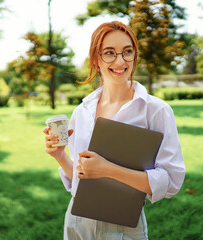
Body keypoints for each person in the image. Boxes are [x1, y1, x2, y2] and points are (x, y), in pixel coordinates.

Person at [43, 21, 185, 240]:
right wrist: (60, 156)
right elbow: (80, 180)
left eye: (127, 52)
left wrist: (109, 170)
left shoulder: (155, 111)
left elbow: (171, 182)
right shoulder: (81, 112)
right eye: (109, 53)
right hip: (77, 223)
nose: (120, 61)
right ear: (95, 59)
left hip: (124, 227)